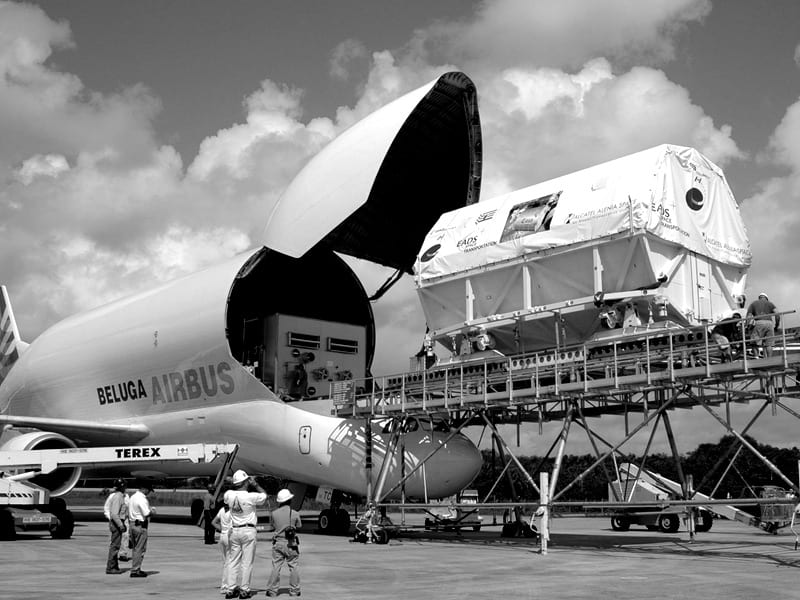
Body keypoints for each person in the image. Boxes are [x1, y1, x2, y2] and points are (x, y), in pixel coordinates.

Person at [223, 470, 267, 599]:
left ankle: (230, 589)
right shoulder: (251, 496)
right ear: (245, 482)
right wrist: (256, 484)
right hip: (248, 531)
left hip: (234, 530)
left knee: (233, 561)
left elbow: (226, 498)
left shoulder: (229, 494)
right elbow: (264, 495)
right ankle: (244, 589)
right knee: (247, 563)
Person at [266, 488, 302, 598]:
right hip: (291, 544)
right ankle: (294, 590)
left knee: (276, 567)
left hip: (278, 543)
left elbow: (272, 526)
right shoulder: (295, 513)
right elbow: (299, 526)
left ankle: (272, 591)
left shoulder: (274, 513)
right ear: (290, 500)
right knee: (293, 566)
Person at [128, 482, 155, 578]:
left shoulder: (133, 497)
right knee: (140, 549)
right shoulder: (142, 499)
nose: (148, 493)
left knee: (135, 549)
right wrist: (152, 511)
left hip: (132, 524)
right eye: (148, 490)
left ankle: (136, 568)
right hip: (140, 526)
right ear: (145, 489)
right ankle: (135, 570)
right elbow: (147, 513)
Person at [104, 478, 128, 574]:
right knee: (115, 546)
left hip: (116, 522)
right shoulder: (118, 497)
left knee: (116, 546)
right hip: (116, 523)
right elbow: (114, 514)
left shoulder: (119, 496)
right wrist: (121, 525)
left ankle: (115, 566)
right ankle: (111, 567)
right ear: (122, 487)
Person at [747, 292, 779, 357]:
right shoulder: (770, 303)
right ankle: (769, 359)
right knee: (769, 344)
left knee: (754, 342)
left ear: (759, 298)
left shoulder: (753, 303)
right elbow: (777, 314)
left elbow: (749, 316)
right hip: (769, 324)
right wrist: (777, 325)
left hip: (759, 322)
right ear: (766, 298)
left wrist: (748, 326)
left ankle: (756, 358)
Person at [212, 500, 233, 596]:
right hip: (229, 537)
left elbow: (214, 522)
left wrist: (223, 530)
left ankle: (224, 585)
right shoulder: (232, 512)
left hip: (222, 536)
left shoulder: (221, 510)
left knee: (225, 562)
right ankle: (227, 585)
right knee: (230, 562)